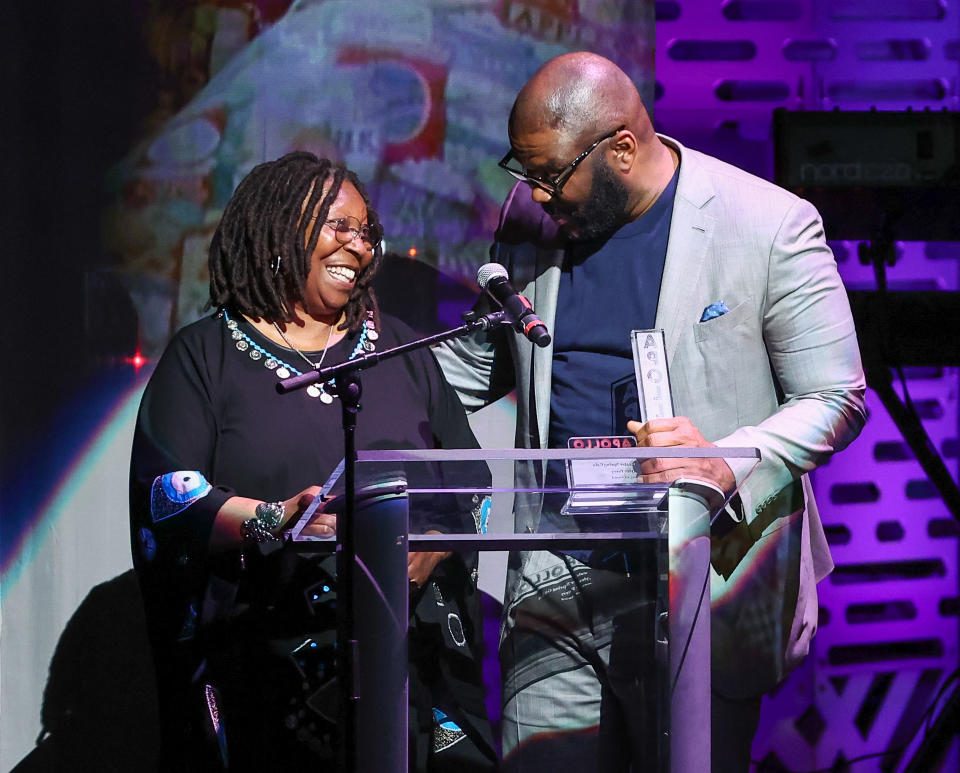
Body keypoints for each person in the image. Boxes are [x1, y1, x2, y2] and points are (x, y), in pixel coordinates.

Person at [434, 52, 867, 772]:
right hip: (557, 567)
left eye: (549, 175)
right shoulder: (532, 221)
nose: (536, 197)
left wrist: (728, 458)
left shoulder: (769, 225)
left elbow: (836, 396)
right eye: (527, 175)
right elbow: (472, 365)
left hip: (701, 570)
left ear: (623, 150)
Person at [130, 152, 496, 772]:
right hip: (269, 670)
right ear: (276, 230)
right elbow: (170, 495)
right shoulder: (205, 356)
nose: (358, 246)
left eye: (366, 232)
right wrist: (278, 518)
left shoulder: (404, 347)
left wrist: (433, 543)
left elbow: (471, 480)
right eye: (337, 227)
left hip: (407, 666)